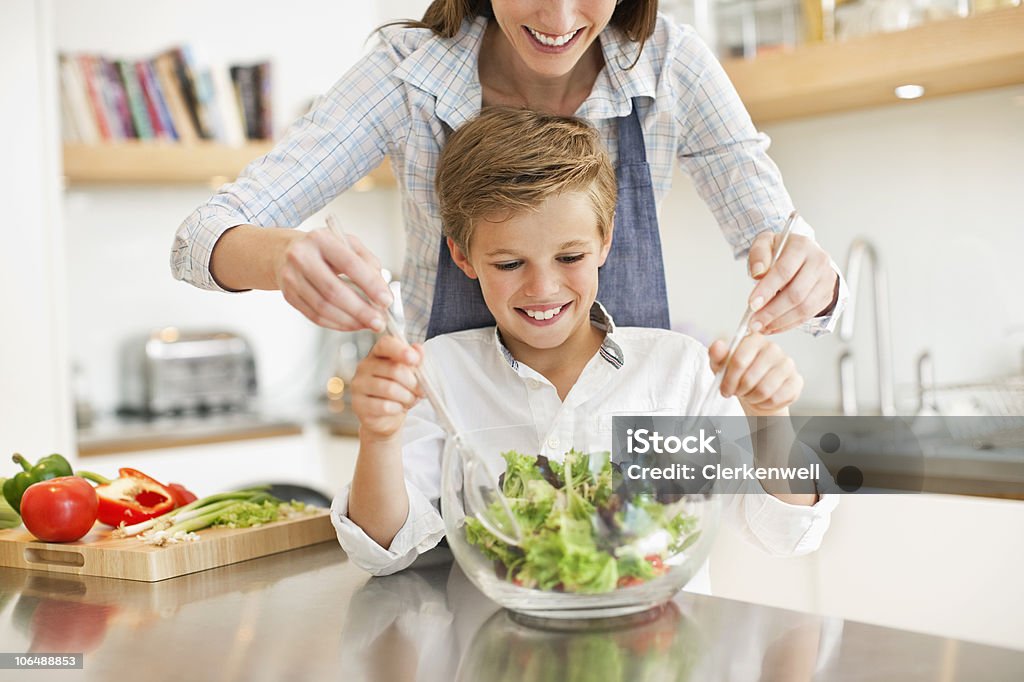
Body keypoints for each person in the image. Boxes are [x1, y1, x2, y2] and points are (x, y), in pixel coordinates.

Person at [332, 107, 836, 592]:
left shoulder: (680, 371)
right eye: (510, 264)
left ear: (605, 242)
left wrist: (770, 416)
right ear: (464, 256)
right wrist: (378, 436)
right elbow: (381, 550)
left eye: (569, 256)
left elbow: (786, 531)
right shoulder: (439, 373)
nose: (543, 287)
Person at [171, 0, 847, 343]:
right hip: (456, 458)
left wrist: (813, 281)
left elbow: (791, 252)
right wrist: (277, 256)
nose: (557, 18)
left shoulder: (669, 65)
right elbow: (198, 238)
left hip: (630, 465)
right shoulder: (406, 78)